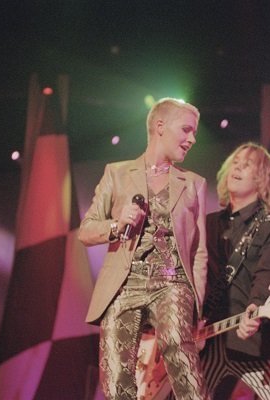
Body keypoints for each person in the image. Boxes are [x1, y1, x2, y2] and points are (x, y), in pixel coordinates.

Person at [79, 97, 210, 400]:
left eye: (195, 133)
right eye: (186, 129)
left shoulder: (193, 184)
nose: (192, 139)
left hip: (172, 280)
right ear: (160, 126)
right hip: (123, 285)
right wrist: (116, 224)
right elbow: (86, 230)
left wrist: (197, 307)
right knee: (116, 379)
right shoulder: (117, 172)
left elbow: (199, 251)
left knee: (177, 343)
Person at [200, 142, 270, 399]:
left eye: (246, 165)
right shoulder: (207, 224)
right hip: (205, 343)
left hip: (254, 343)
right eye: (234, 163)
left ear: (262, 180)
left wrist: (256, 305)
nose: (237, 167)